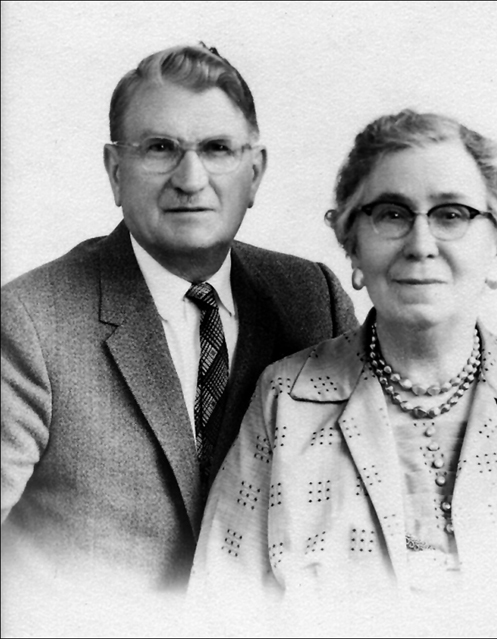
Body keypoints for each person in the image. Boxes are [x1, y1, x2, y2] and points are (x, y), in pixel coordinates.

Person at [190, 109, 497, 636]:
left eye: (451, 214)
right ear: (354, 250)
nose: (420, 244)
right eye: (392, 213)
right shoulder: (285, 400)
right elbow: (219, 612)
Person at [0, 43, 357, 634]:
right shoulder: (29, 320)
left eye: (217, 149)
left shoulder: (311, 298)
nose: (191, 180)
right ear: (116, 171)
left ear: (254, 173)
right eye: (160, 148)